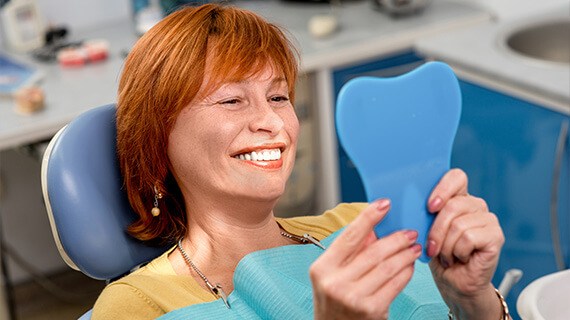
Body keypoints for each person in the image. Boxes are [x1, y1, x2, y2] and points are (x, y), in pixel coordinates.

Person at [92, 3, 508, 320]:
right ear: (158, 139)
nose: (273, 122)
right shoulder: (137, 306)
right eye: (232, 100)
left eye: (278, 97)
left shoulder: (362, 225)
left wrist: (474, 301)